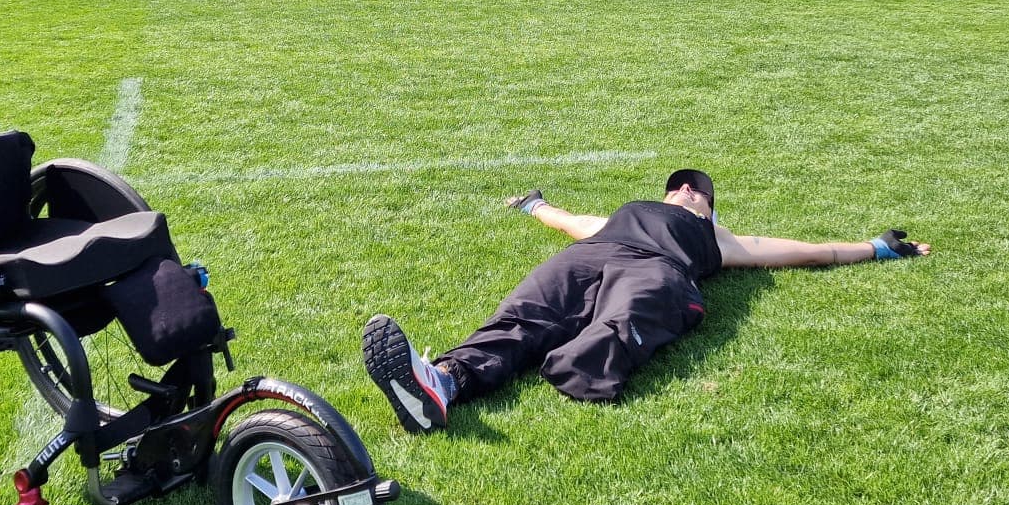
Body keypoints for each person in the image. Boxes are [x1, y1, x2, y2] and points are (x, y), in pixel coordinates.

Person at [362, 170, 930, 431]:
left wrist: (877, 247)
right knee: (525, 312)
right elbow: (576, 222)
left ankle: (573, 366)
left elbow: (809, 251)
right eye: (682, 185)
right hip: (596, 253)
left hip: (662, 272)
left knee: (616, 326)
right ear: (670, 192)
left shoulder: (718, 239)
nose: (688, 191)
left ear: (707, 204)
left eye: (699, 190)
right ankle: (443, 384)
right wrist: (535, 206)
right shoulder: (625, 214)